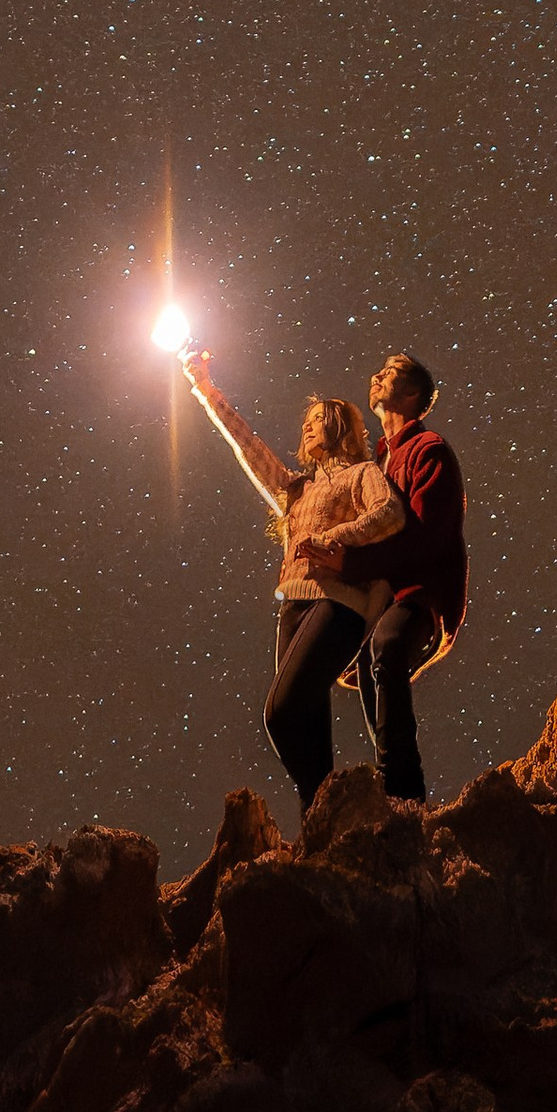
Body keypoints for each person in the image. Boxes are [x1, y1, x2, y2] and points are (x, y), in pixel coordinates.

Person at [179, 349, 407, 824]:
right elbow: (248, 446)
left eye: (318, 420)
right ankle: (321, 824)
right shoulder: (295, 489)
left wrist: (333, 538)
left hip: (338, 602)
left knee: (279, 713)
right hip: (292, 607)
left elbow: (390, 515)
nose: (307, 427)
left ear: (341, 427)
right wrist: (203, 387)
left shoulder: (362, 474)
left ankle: (336, 805)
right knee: (305, 720)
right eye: (305, 421)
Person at [328, 348, 466, 808]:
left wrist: (349, 565)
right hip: (387, 596)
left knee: (385, 651)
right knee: (372, 665)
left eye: (389, 374)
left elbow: (426, 538)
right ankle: (394, 788)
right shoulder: (379, 464)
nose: (376, 376)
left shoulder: (430, 452)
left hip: (420, 594)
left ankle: (403, 791)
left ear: (411, 394)